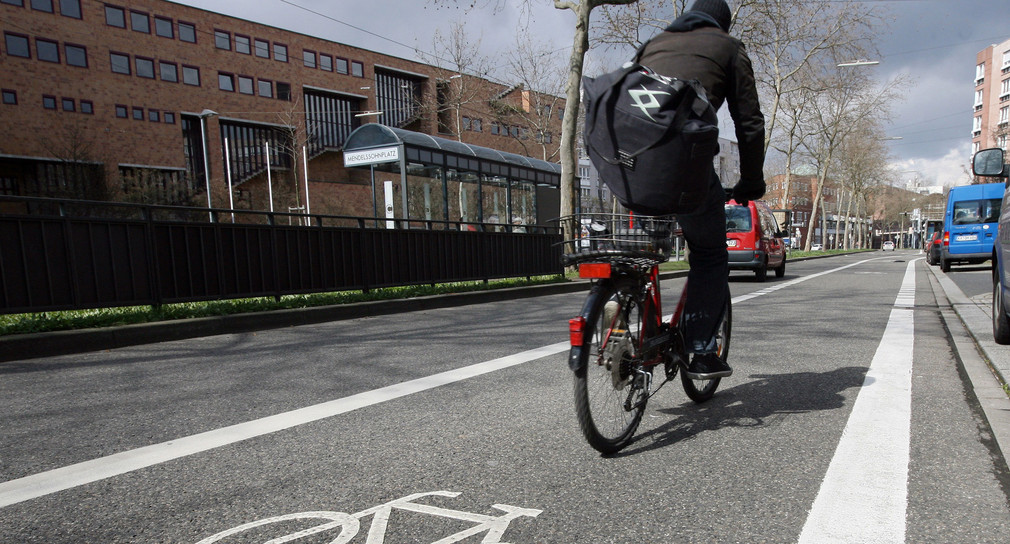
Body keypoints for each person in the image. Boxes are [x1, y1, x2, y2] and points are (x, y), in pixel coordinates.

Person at [636, 0, 766, 379]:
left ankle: (631, 313)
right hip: (684, 166)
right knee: (710, 255)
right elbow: (749, 122)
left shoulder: (653, 44)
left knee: (643, 255)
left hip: (628, 164)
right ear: (723, 24)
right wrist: (751, 181)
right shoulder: (728, 48)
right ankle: (702, 351)